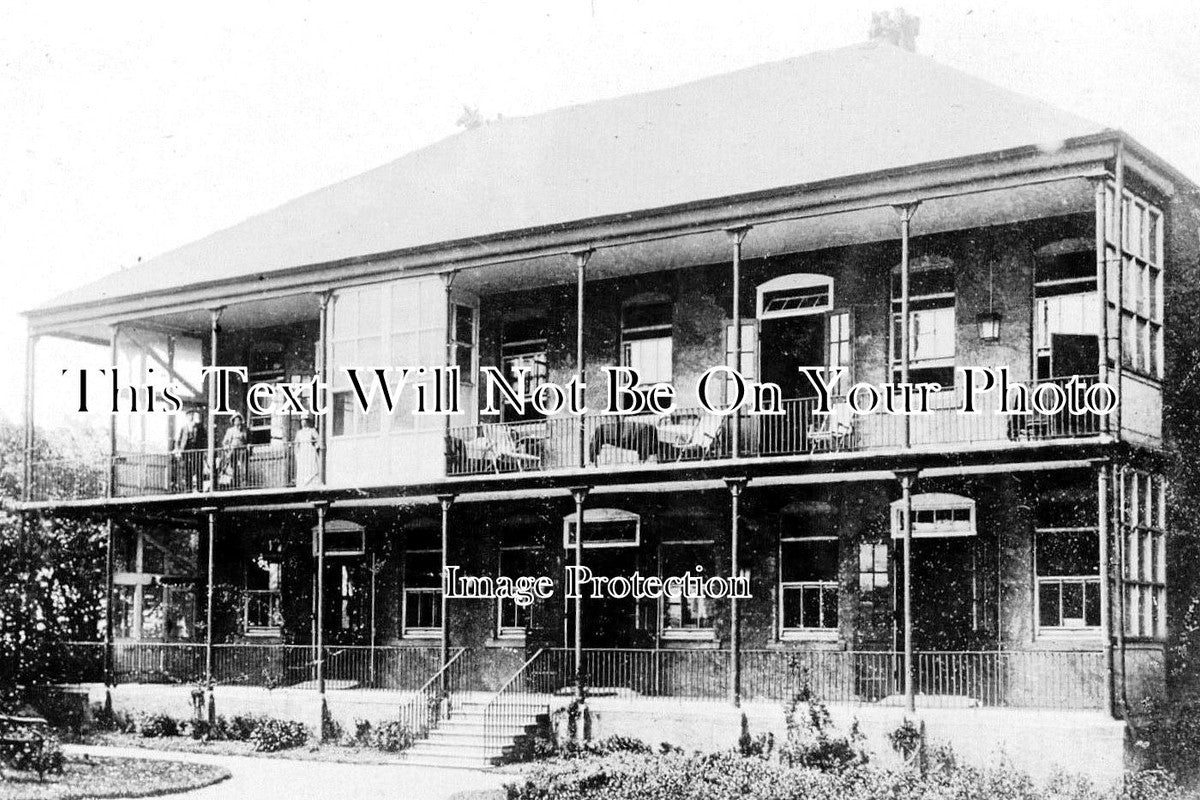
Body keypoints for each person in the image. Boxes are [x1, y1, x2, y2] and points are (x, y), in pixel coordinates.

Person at [174, 408, 207, 491]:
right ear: (186, 417)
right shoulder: (184, 427)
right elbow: (179, 439)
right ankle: (188, 489)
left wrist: (204, 449)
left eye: (192, 415)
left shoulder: (199, 426)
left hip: (197, 450)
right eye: (189, 415)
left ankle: (200, 489)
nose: (191, 417)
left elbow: (204, 438)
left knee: (199, 469)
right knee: (188, 470)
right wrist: (178, 449)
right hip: (187, 451)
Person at [220, 413, 249, 489]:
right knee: (234, 467)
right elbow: (224, 442)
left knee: (244, 468)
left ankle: (244, 483)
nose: (237, 422)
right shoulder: (230, 430)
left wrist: (248, 446)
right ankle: (235, 483)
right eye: (235, 420)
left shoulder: (245, 430)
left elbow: (248, 440)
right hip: (233, 451)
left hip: (242, 450)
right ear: (233, 422)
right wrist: (227, 448)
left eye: (238, 420)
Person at [293, 414, 320, 487]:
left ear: (308, 421)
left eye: (304, 421)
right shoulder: (299, 432)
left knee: (311, 467)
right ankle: (302, 483)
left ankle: (312, 482)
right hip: (302, 451)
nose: (303, 422)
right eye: (302, 421)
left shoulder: (312, 430)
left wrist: (316, 447)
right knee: (303, 468)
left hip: (310, 450)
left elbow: (318, 439)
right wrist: (297, 453)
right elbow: (296, 443)